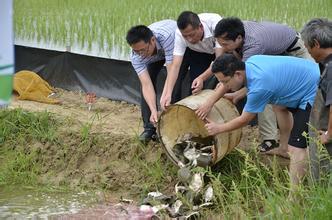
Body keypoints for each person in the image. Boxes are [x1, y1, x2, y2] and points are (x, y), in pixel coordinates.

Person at [196, 17, 312, 154]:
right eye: (221, 44)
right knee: (278, 105)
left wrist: (210, 105)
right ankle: (275, 142)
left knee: (299, 106)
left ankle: (309, 142)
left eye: (225, 45)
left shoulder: (253, 47)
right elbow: (244, 76)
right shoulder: (240, 37)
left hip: (295, 50)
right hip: (274, 58)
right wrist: (236, 93)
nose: (223, 48)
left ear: (239, 38)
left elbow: (244, 79)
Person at [204, 54, 319, 187]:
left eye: (225, 82)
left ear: (237, 74)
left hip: (314, 87)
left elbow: (244, 120)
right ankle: (283, 148)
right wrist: (237, 94)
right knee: (279, 106)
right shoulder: (251, 62)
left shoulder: (260, 88)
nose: (223, 86)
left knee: (297, 146)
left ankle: (294, 197)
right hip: (307, 73)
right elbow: (256, 83)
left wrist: (218, 128)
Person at [126, 20, 182, 144]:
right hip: (155, 55)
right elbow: (146, 84)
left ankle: (172, 127)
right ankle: (149, 128)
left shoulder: (168, 36)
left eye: (143, 50)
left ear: (152, 40)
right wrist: (153, 110)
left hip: (173, 48)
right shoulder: (137, 56)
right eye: (137, 51)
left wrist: (166, 95)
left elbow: (171, 71)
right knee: (148, 81)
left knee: (175, 84)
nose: (141, 54)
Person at [160, 11, 223, 111]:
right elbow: (175, 66)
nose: (189, 39)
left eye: (192, 35)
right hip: (198, 53)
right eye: (185, 36)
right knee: (195, 86)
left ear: (200, 27)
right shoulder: (179, 34)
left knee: (221, 79)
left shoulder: (216, 24)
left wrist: (202, 78)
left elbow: (219, 60)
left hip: (219, 52)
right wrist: (168, 94)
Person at [301, 18, 332, 181]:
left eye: (307, 47)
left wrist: (329, 134)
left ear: (316, 43)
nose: (309, 52)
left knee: (324, 176)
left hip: (326, 134)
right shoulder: (325, 64)